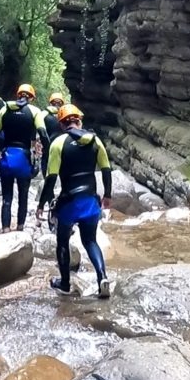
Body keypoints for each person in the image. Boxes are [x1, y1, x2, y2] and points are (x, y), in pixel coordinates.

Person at [37, 104, 112, 298]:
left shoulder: (58, 143)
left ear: (62, 124)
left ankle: (64, 283)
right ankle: (102, 277)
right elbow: (106, 170)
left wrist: (41, 204)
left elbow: (51, 178)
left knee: (62, 241)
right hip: (90, 202)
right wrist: (108, 195)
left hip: (69, 202)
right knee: (90, 241)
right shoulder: (95, 141)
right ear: (79, 121)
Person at [0, 84, 49, 233]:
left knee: (7, 198)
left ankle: (5, 229)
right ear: (31, 98)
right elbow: (43, 134)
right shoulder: (35, 111)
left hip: (7, 157)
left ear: (18, 95)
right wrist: (46, 154)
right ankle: (20, 228)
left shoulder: (5, 109)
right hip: (24, 158)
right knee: (23, 198)